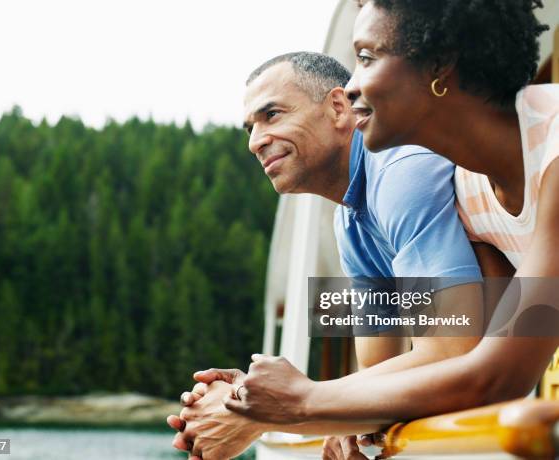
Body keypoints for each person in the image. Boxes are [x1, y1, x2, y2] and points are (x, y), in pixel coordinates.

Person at [174, 2, 559, 459]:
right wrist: (293, 406)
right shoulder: (465, 188)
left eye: (367, 57)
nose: (351, 85)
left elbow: (486, 370)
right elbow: (401, 366)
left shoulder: (425, 170)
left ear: (438, 66)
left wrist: (289, 406)